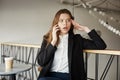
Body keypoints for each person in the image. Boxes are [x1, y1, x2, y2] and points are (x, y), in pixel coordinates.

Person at [37, 9, 106, 80]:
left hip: (68, 77)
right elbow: (41, 62)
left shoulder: (77, 40)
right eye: (61, 20)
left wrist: (85, 29)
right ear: (56, 23)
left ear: (72, 23)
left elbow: (101, 45)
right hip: (49, 75)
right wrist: (53, 41)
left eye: (68, 20)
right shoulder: (47, 39)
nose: (65, 23)